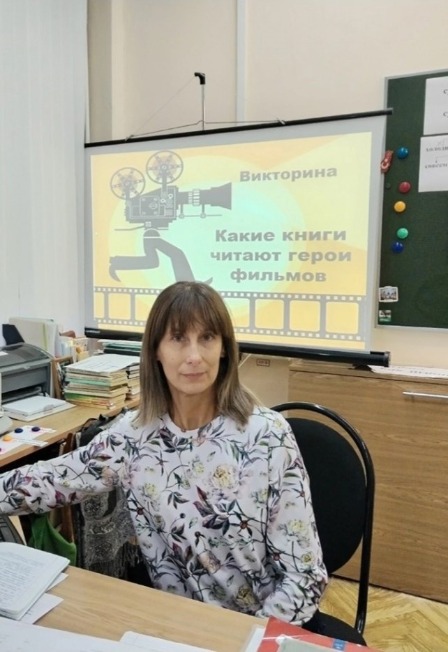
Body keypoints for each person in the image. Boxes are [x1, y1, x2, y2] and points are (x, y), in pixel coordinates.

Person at [0, 281, 327, 625]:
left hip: (261, 627)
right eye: (178, 338)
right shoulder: (133, 437)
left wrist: (247, 639)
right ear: (155, 350)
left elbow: (304, 579)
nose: (194, 356)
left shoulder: (268, 437)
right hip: (176, 626)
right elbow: (50, 480)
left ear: (224, 348)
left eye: (207, 337)